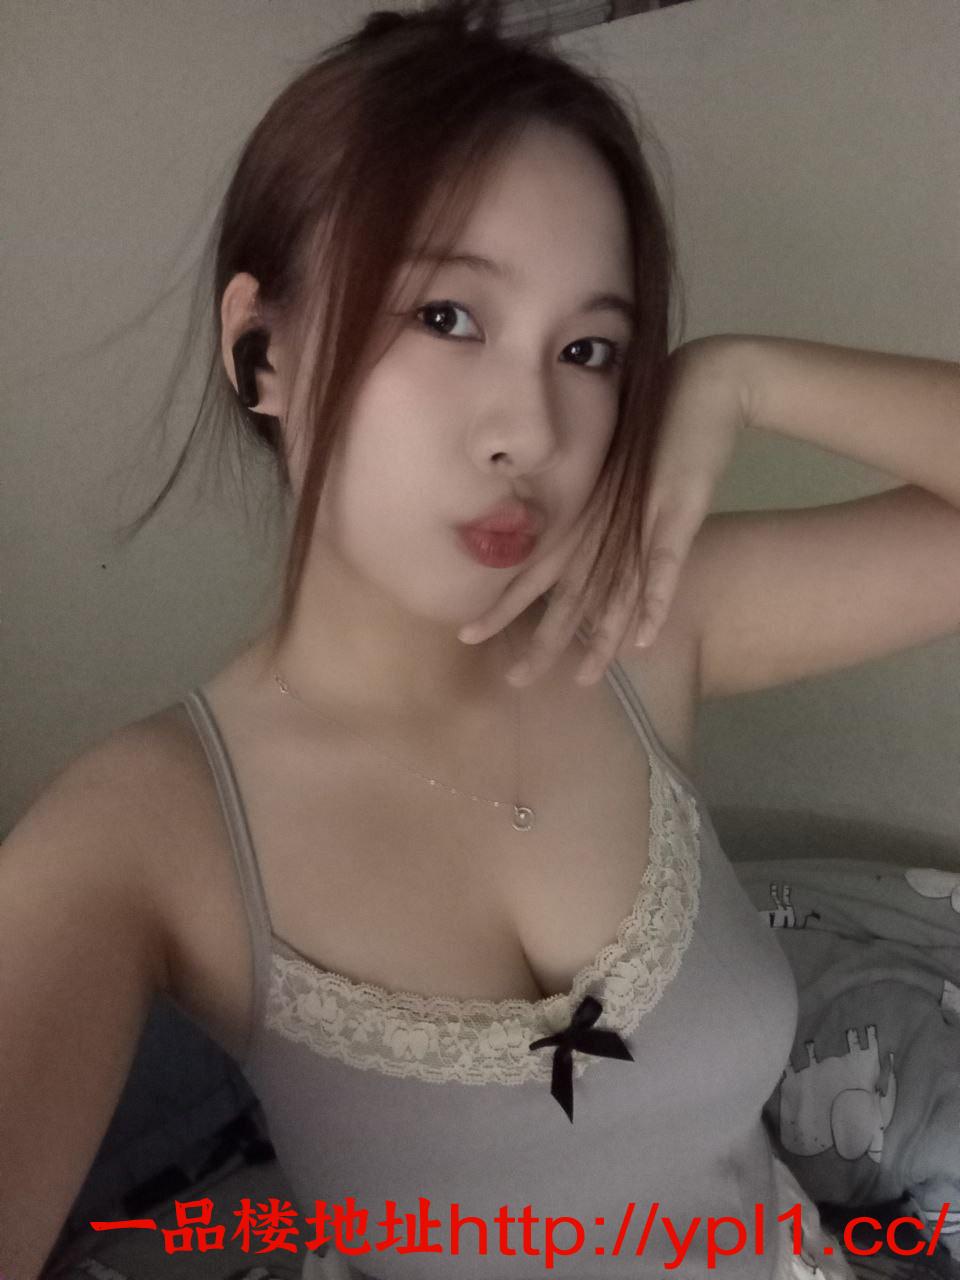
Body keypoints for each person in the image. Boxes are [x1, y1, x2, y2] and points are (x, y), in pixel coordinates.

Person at [3, 2, 959, 1277]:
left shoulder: (640, 619)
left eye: (590, 349)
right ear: (262, 349)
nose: (533, 428)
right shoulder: (141, 830)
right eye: (448, 317)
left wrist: (742, 375)